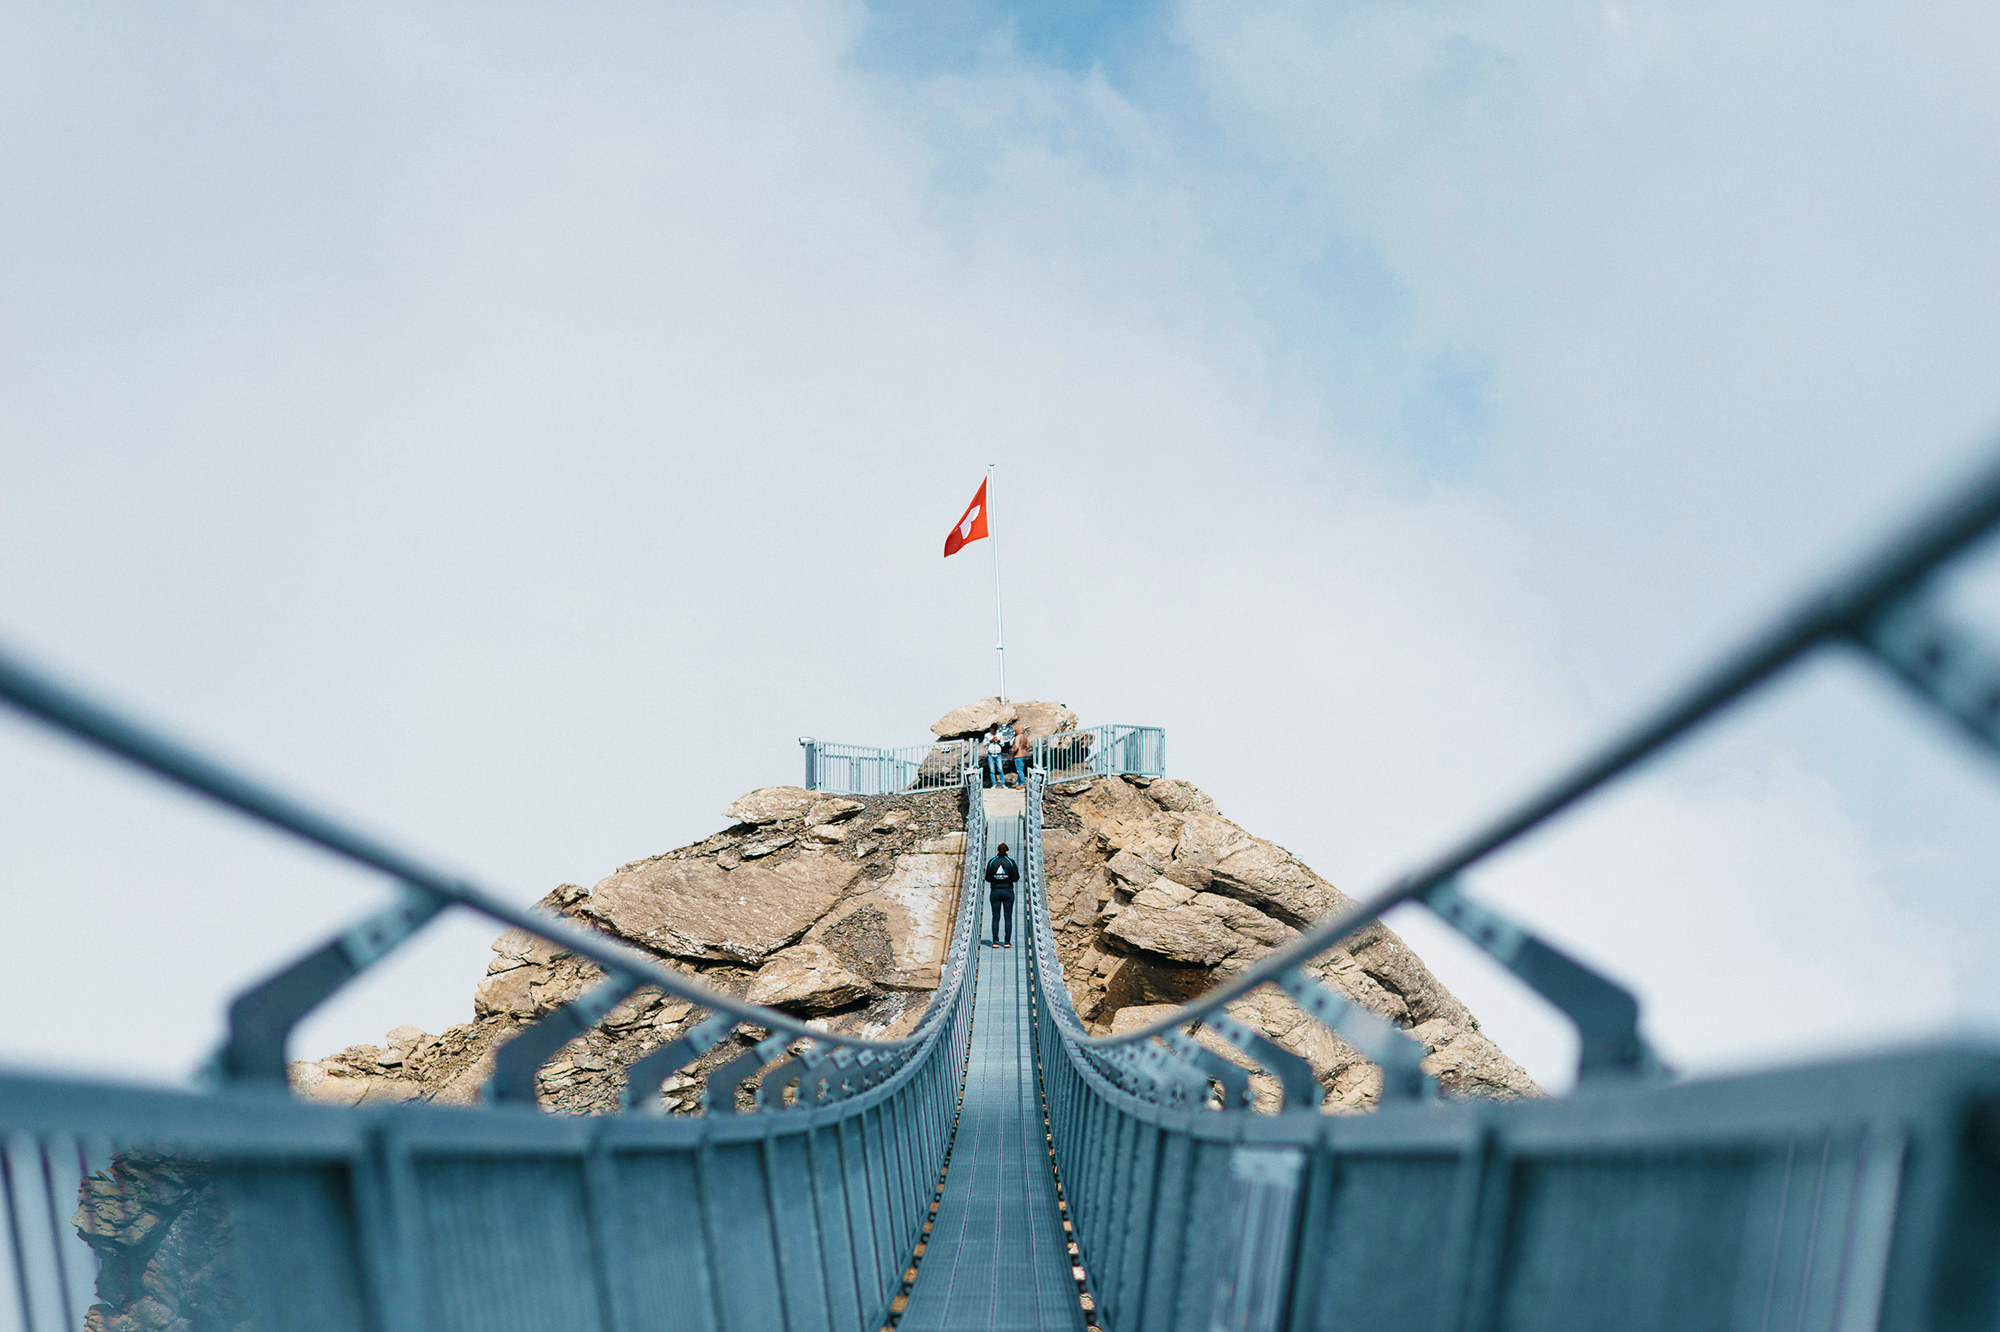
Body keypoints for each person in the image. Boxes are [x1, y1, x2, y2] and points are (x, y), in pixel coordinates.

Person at [983, 841, 1019, 948]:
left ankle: (995, 941)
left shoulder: (992, 862)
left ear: (997, 851)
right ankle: (1007, 942)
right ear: (1007, 851)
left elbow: (988, 878)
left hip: (995, 892)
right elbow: (1016, 878)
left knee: (996, 917)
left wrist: (996, 879)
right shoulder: (1011, 862)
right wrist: (1007, 879)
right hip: (1008, 891)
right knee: (1008, 917)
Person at [982, 724, 1006, 789]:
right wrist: (990, 741)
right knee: (992, 770)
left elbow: (1003, 744)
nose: (993, 732)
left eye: (994, 731)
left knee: (1000, 769)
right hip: (990, 754)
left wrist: (999, 741)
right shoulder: (987, 735)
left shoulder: (1000, 734)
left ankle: (1003, 784)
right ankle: (994, 784)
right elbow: (984, 744)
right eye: (992, 730)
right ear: (990, 729)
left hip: (998, 754)